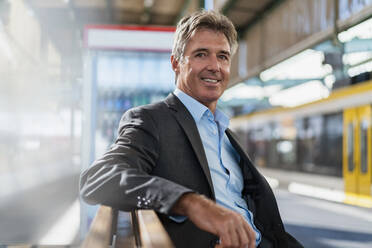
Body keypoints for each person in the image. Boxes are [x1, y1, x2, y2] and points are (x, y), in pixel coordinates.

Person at [80, 10, 303, 248]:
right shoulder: (151, 120)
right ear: (176, 63)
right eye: (201, 54)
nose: (215, 66)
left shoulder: (228, 136)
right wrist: (192, 203)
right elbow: (99, 178)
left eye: (223, 57)